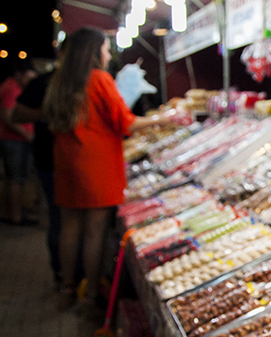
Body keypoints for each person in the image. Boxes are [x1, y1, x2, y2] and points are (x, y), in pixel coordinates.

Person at [43, 27, 182, 311]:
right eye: (105, 49)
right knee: (95, 231)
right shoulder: (98, 79)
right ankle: (91, 295)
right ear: (93, 52)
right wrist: (166, 119)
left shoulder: (62, 80)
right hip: (96, 164)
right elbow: (126, 122)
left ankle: (67, 288)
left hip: (68, 163)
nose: (107, 55)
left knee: (70, 229)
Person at [13, 67, 61, 286]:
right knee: (60, 218)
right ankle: (63, 279)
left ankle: (72, 280)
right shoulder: (42, 82)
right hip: (49, 159)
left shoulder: (86, 80)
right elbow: (15, 114)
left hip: (74, 162)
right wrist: (49, 112)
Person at [0, 61, 37, 225]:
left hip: (15, 140)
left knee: (16, 178)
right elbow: (8, 117)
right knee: (16, 179)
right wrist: (27, 134)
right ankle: (15, 217)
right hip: (13, 140)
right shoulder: (11, 88)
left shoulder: (12, 86)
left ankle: (14, 213)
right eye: (28, 79)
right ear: (19, 74)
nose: (29, 83)